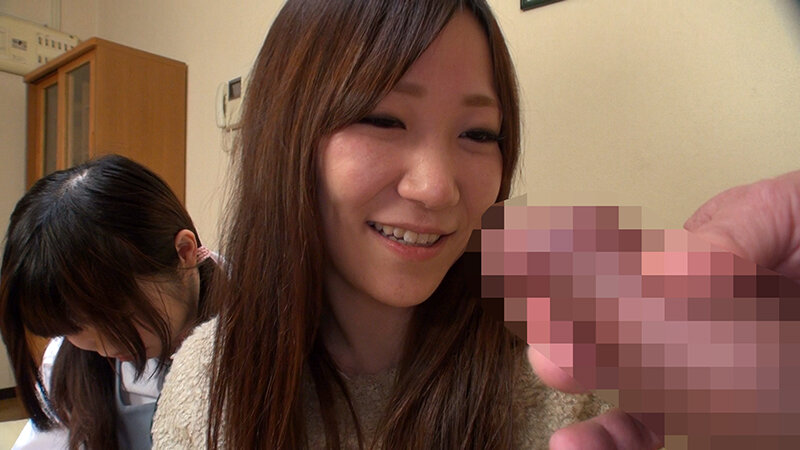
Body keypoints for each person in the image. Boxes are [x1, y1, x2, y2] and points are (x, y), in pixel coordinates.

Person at [151, 0, 799, 449]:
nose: (438, 187)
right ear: (285, 139)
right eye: (383, 119)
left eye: (479, 133)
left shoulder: (552, 372)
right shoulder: (209, 387)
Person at [0, 155, 220, 450]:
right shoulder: (69, 362)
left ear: (184, 251)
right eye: (74, 329)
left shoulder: (258, 334)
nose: (105, 349)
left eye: (117, 319)